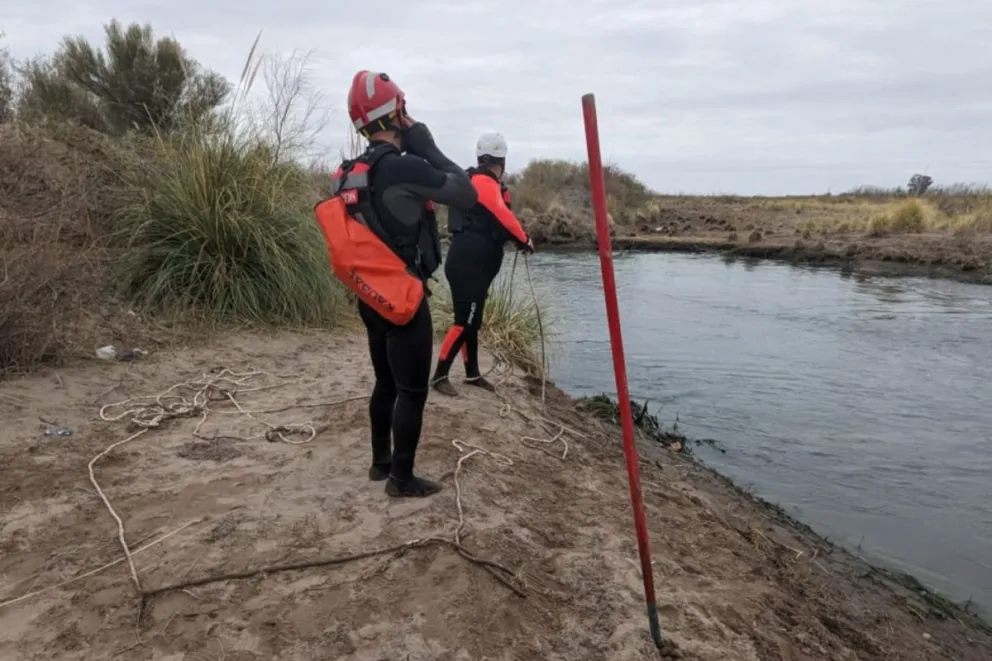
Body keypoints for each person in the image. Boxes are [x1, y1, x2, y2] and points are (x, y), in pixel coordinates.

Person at [345, 70, 477, 497]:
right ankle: (402, 480)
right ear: (398, 112)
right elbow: (465, 193)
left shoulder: (351, 172)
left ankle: (380, 464)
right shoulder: (405, 167)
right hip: (403, 296)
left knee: (385, 382)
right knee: (412, 390)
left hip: (369, 295)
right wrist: (430, 147)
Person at [430, 132, 534, 397]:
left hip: (468, 261)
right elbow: (504, 217)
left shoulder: (475, 181)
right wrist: (525, 240)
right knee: (465, 322)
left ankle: (472, 374)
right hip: (470, 264)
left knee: (471, 321)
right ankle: (440, 375)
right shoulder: (484, 183)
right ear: (500, 161)